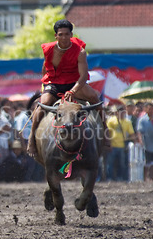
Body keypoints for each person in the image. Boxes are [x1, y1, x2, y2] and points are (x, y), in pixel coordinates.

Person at [27, 19, 103, 158]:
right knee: (42, 105)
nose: (64, 37)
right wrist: (46, 86)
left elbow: (83, 76)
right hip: (55, 83)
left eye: (66, 34)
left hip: (75, 83)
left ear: (71, 34)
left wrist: (73, 91)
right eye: (60, 34)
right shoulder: (49, 49)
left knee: (94, 98)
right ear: (56, 35)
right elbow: (45, 69)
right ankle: (31, 138)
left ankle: (105, 128)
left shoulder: (80, 52)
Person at [106, 105, 135, 181]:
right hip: (113, 145)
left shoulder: (127, 122)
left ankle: (120, 177)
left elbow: (132, 134)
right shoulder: (111, 120)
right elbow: (107, 133)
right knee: (110, 163)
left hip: (122, 146)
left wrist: (127, 139)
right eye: (120, 112)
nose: (121, 113)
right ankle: (110, 178)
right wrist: (109, 144)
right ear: (117, 112)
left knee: (121, 164)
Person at [137, 102, 153, 181]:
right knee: (146, 163)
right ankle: (146, 178)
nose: (150, 110)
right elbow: (139, 132)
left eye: (152, 109)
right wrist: (141, 141)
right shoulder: (142, 119)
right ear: (145, 109)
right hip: (147, 143)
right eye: (149, 108)